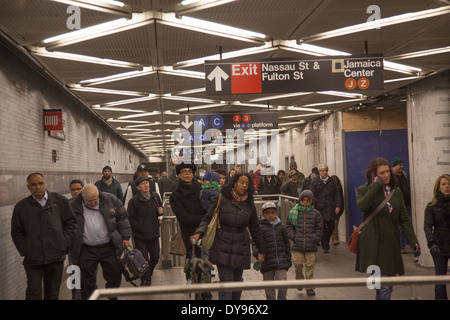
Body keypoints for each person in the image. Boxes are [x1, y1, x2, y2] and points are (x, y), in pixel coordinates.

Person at [191, 173, 267, 300]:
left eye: (247, 184)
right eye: (242, 182)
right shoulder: (222, 198)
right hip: (222, 243)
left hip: (240, 245)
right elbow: (208, 218)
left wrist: (261, 249)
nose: (244, 186)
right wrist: (199, 233)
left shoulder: (249, 204)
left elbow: (255, 229)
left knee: (237, 282)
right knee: (226, 281)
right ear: (234, 183)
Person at [355, 157, 421, 300]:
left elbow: (404, 218)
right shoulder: (364, 190)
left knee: (386, 287)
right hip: (374, 245)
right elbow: (363, 205)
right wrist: (375, 186)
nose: (386, 175)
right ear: (374, 175)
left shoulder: (396, 193)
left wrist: (413, 241)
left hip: (391, 244)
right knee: (384, 287)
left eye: (387, 172)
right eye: (382, 173)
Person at [11, 173, 78, 300]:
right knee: (33, 292)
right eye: (34, 184)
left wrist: (63, 244)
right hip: (33, 259)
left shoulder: (59, 201)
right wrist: (25, 249)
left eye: (40, 183)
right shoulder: (22, 207)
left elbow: (71, 223)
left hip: (55, 257)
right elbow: (16, 231)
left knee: (52, 294)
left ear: (45, 183)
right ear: (28, 187)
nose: (38, 187)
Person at [70, 184, 131, 299]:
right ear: (83, 198)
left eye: (95, 199)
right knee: (85, 278)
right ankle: (91, 296)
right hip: (86, 248)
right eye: (89, 201)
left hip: (108, 246)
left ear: (98, 195)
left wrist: (126, 237)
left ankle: (111, 295)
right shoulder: (73, 205)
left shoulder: (110, 200)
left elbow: (122, 217)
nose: (93, 203)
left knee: (115, 273)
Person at [169, 162, 206, 280]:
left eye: (189, 172)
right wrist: (204, 218)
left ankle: (206, 291)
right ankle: (192, 284)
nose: (187, 174)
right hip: (189, 233)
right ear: (179, 175)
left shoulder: (202, 190)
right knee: (192, 260)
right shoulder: (175, 196)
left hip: (205, 231)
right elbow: (183, 218)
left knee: (206, 262)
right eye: (184, 172)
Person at [127, 177, 164, 286]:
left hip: (153, 233)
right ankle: (146, 280)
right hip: (140, 236)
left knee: (155, 256)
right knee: (143, 259)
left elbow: (160, 211)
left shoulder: (155, 197)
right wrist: (138, 228)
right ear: (138, 187)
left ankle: (148, 274)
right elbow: (131, 218)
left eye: (147, 183)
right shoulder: (134, 201)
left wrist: (161, 212)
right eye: (143, 184)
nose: (146, 185)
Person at [286, 190, 323, 296]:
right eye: (303, 200)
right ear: (300, 200)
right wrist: (293, 236)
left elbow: (319, 228)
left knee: (310, 266)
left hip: (311, 245)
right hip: (297, 244)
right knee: (298, 264)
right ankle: (299, 280)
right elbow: (289, 226)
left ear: (311, 201)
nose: (305, 203)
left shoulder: (316, 214)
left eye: (308, 200)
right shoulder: (294, 212)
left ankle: (309, 287)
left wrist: (315, 238)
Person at [254, 202, 291, 300]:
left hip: (281, 261)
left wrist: (288, 259)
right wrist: (257, 254)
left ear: (276, 214)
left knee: (283, 284)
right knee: (269, 289)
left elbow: (287, 244)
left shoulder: (282, 227)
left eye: (273, 212)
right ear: (263, 215)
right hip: (267, 262)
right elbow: (255, 244)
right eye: (267, 213)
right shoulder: (260, 228)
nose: (270, 215)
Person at [424, 174, 450, 300]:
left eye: (448, 184)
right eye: (443, 184)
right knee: (440, 280)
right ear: (438, 187)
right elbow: (427, 226)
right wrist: (432, 243)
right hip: (439, 246)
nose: (447, 186)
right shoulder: (432, 206)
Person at [309, 164, 342, 253]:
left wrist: (338, 206)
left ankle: (325, 241)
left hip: (330, 207)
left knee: (331, 226)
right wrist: (314, 207)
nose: (325, 172)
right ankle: (325, 246)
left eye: (326, 170)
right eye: (323, 171)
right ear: (319, 172)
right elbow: (311, 195)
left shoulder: (332, 181)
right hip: (320, 208)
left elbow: (337, 194)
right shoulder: (315, 182)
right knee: (322, 227)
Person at [392, 157, 412, 254]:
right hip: (397, 205)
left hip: (407, 205)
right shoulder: (391, 177)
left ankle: (409, 244)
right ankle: (401, 246)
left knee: (407, 225)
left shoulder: (405, 176)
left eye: (402, 165)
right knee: (399, 226)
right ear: (394, 166)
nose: (402, 166)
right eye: (400, 165)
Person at [331, 175, 344, 245]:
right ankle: (334, 238)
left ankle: (335, 239)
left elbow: (341, 198)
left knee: (336, 223)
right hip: (331, 209)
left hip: (338, 208)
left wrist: (341, 208)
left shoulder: (339, 188)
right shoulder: (329, 188)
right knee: (333, 224)